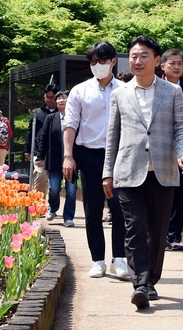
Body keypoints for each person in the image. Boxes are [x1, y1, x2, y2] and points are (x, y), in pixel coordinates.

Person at [103, 36, 183, 309]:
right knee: (134, 228)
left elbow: (181, 127)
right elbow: (113, 136)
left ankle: (151, 278)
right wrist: (108, 172)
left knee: (158, 230)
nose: (137, 61)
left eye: (143, 56)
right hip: (129, 171)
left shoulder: (172, 92)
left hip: (163, 170)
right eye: (133, 56)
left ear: (157, 61)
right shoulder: (119, 93)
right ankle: (140, 284)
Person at [62, 41, 129, 280]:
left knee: (120, 209)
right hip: (89, 155)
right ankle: (98, 260)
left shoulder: (125, 89)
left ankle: (119, 259)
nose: (97, 66)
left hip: (121, 155)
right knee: (92, 210)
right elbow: (70, 124)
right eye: (93, 62)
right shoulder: (80, 91)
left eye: (102, 61)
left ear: (113, 61)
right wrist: (68, 156)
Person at [160, 49, 183, 252]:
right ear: (162, 65)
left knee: (178, 194)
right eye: (172, 63)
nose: (176, 67)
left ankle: (173, 236)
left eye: (180, 63)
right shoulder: (154, 87)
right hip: (157, 149)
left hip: (181, 150)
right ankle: (157, 234)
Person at [36, 90, 77, 227]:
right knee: (54, 188)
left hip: (72, 160)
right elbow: (43, 138)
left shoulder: (76, 117)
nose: (61, 101)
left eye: (64, 98)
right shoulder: (51, 118)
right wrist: (40, 156)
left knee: (71, 190)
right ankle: (53, 208)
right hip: (54, 160)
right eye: (58, 98)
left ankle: (68, 217)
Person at [25, 84, 59, 193]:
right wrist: (27, 149)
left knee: (54, 182)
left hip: (57, 151)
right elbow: (30, 131)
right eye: (46, 97)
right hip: (40, 152)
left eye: (51, 97)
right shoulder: (37, 113)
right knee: (40, 178)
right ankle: (39, 204)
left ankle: (52, 206)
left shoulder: (62, 112)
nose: (49, 100)